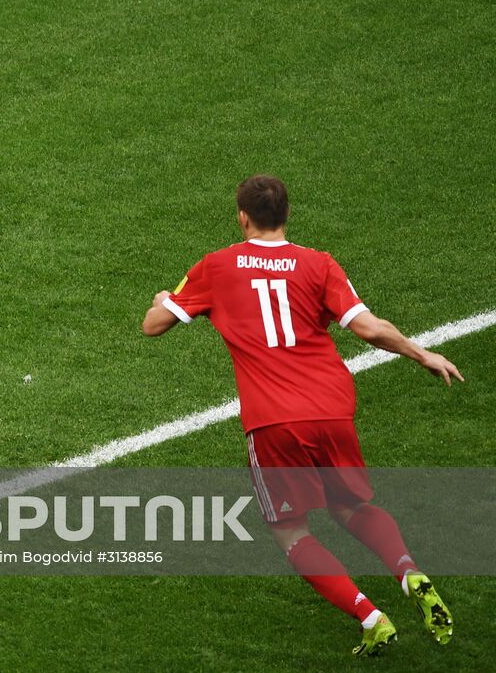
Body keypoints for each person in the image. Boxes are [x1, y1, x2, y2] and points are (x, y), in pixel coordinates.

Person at [141, 174, 464, 657]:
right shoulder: (319, 264)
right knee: (351, 507)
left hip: (274, 421)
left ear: (242, 217)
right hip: (333, 408)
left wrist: (164, 299)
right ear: (287, 215)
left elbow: (153, 327)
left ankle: (370, 617)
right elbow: (370, 328)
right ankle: (407, 571)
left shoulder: (217, 266)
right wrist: (423, 355)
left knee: (290, 530)